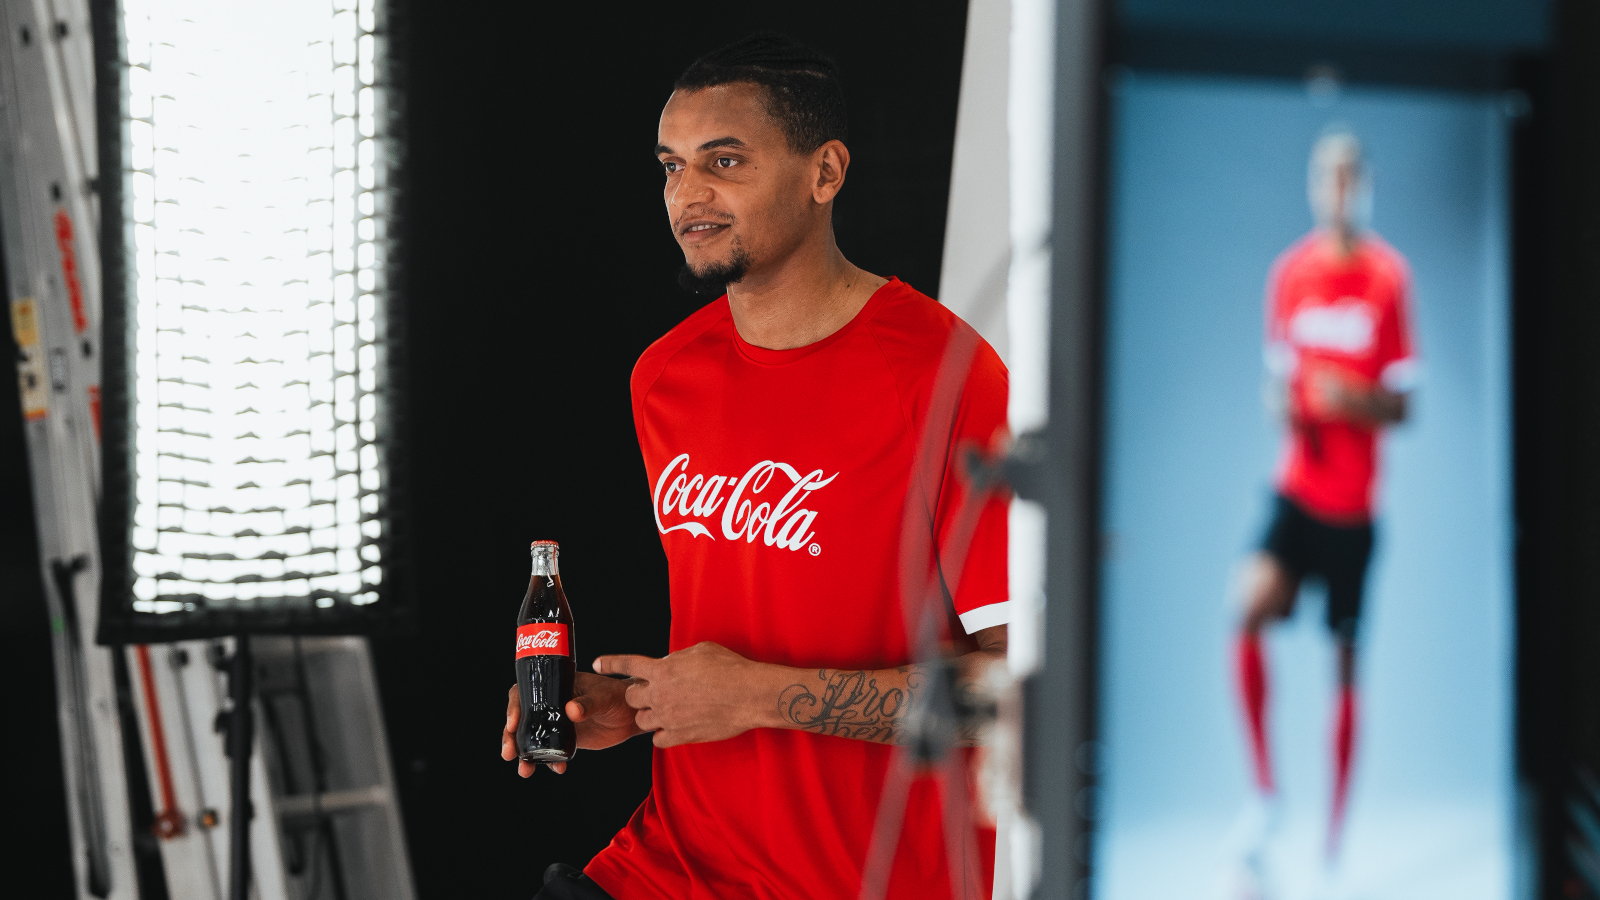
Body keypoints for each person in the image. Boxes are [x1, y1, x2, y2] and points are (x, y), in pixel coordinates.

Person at [499, 34, 1011, 900]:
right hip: (674, 863)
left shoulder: (946, 376)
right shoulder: (664, 376)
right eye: (670, 166)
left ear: (826, 172)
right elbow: (743, 618)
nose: (686, 195)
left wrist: (759, 697)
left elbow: (1012, 695)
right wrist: (638, 706)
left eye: (723, 161)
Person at [1231, 129, 1418, 890]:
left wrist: (1355, 399)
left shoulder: (1387, 279)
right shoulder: (1291, 275)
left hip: (1354, 511)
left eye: (1350, 178)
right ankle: (1266, 794)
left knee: (1343, 667)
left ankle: (1334, 841)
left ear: (1365, 186)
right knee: (1247, 610)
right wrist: (1285, 403)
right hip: (1297, 492)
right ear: (1314, 186)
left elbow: (1405, 407)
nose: (1338, 191)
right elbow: (1277, 377)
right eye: (1327, 178)